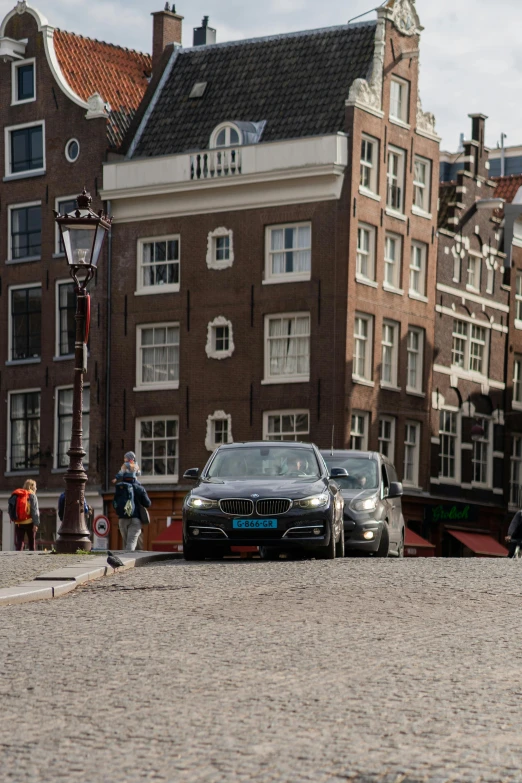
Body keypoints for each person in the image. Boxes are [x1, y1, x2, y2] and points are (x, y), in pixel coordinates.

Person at [113, 470, 151, 551]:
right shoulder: (139, 488)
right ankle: (126, 561)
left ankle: (127, 560)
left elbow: (115, 503)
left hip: (122, 519)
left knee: (127, 542)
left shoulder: (120, 488)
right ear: (134, 477)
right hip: (134, 520)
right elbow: (148, 503)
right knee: (131, 543)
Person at [9, 479, 40, 551]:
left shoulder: (18, 495)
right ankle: (32, 559)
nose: (36, 488)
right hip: (29, 522)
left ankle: (18, 558)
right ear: (32, 486)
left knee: (19, 542)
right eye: (35, 486)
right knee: (31, 542)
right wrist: (36, 524)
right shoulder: (32, 495)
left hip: (19, 522)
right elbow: (34, 510)